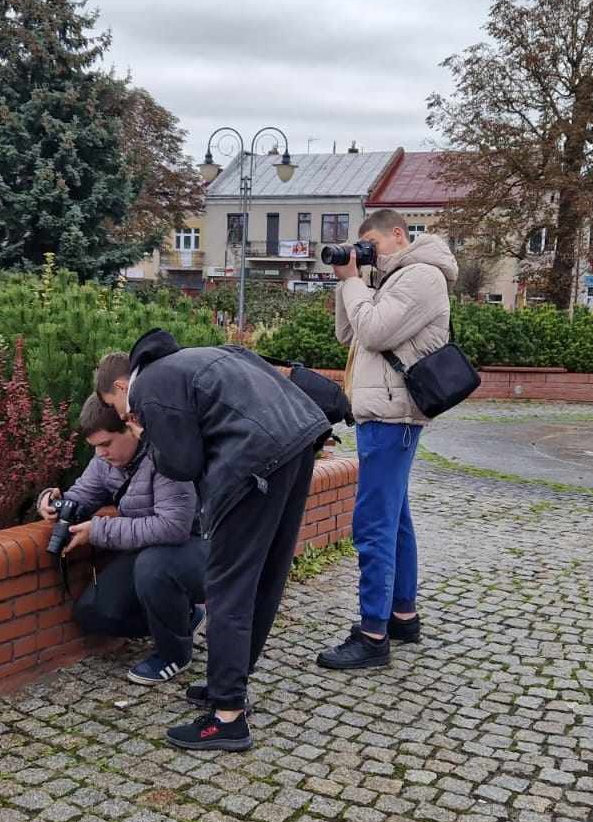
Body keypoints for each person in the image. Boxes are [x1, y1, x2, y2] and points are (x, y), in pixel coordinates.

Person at [97, 335, 330, 751]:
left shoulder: (148, 386)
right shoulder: (196, 358)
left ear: (120, 386)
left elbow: (182, 465)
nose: (121, 414)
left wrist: (142, 428)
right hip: (297, 442)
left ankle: (227, 717)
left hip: (255, 462)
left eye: (115, 407)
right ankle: (231, 685)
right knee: (265, 575)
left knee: (228, 585)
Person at [319, 209, 458, 670]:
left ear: (398, 235)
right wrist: (350, 279)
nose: (366, 254)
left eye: (371, 245)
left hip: (393, 417)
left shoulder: (422, 277)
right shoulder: (390, 279)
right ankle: (402, 615)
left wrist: (356, 280)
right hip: (384, 415)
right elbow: (349, 332)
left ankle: (372, 634)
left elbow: (375, 331)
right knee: (395, 518)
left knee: (373, 523)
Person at [38, 394, 206, 685]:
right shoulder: (105, 460)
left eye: (106, 444)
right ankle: (185, 617)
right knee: (94, 613)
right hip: (149, 552)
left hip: (200, 548)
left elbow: (173, 527)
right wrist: (53, 502)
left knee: (154, 566)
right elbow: (83, 496)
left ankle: (174, 654)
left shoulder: (166, 456)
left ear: (131, 428)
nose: (101, 453)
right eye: (95, 447)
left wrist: (99, 531)